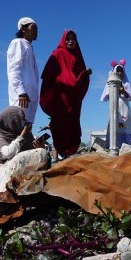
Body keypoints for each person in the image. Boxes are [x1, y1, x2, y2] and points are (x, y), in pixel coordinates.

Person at [39, 29, 92, 161]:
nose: (70, 41)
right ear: (63, 40)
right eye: (68, 39)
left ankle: (70, 153)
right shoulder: (57, 54)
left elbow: (78, 77)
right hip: (61, 98)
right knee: (61, 124)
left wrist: (84, 75)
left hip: (73, 98)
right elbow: (48, 76)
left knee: (73, 123)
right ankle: (61, 155)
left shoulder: (78, 56)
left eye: (73, 39)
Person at [0, 106, 49, 197]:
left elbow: (32, 154)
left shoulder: (27, 134)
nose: (24, 122)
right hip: (6, 168)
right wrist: (22, 135)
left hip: (23, 169)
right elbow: (7, 153)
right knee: (38, 153)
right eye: (21, 119)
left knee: (42, 152)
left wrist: (39, 147)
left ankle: (34, 189)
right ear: (12, 121)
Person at [100, 59, 131, 149]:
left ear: (124, 72)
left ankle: (129, 145)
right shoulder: (111, 83)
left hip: (124, 106)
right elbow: (107, 96)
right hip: (114, 106)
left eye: (121, 71)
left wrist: (124, 91)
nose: (119, 73)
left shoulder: (127, 84)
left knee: (125, 123)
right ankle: (113, 145)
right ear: (114, 72)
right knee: (114, 123)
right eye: (117, 71)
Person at [7, 17, 39, 124]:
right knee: (17, 127)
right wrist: (21, 92)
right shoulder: (17, 43)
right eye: (33, 28)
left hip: (30, 97)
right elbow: (13, 69)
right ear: (23, 29)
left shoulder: (29, 47)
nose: (36, 31)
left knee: (26, 129)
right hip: (22, 97)